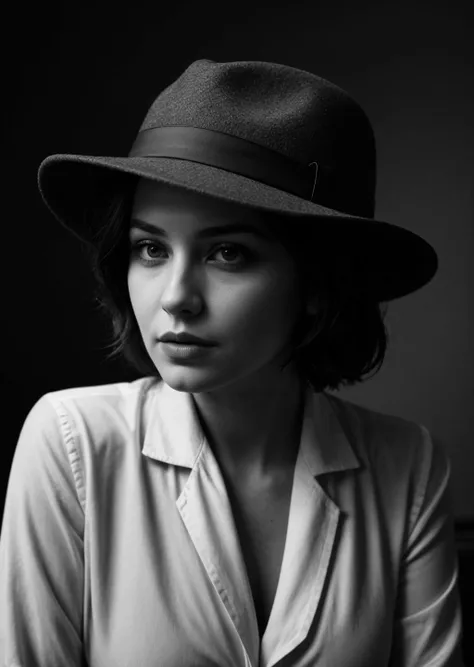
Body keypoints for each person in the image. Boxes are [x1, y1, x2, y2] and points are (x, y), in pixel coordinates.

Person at [0, 59, 465, 666]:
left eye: (227, 253)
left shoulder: (407, 467)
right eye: (151, 249)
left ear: (317, 283)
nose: (174, 297)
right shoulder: (73, 442)